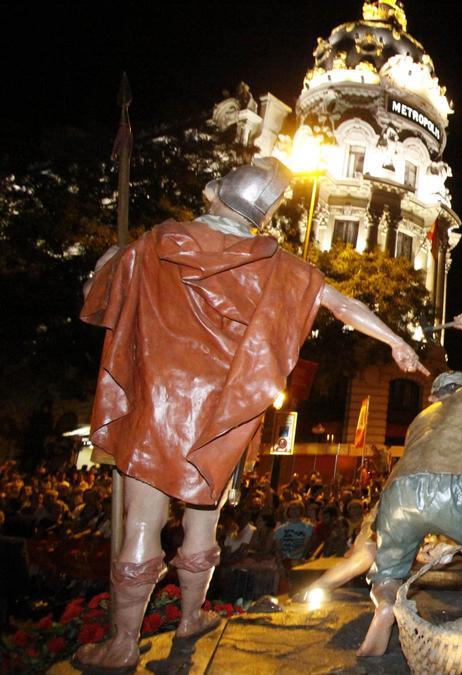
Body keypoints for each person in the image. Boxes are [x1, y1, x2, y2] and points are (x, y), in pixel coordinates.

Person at [72, 158, 429, 672]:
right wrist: (396, 339)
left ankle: (123, 642)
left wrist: (111, 258)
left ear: (213, 192)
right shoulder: (278, 264)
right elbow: (341, 303)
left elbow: (95, 299)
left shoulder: (155, 243)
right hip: (224, 412)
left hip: (159, 406)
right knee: (202, 524)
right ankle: (190, 617)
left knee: (141, 528)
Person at [359, 312, 462, 657]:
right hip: (452, 486)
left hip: (399, 493)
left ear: (432, 397)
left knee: (386, 573)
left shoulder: (420, 418)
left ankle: (385, 606)